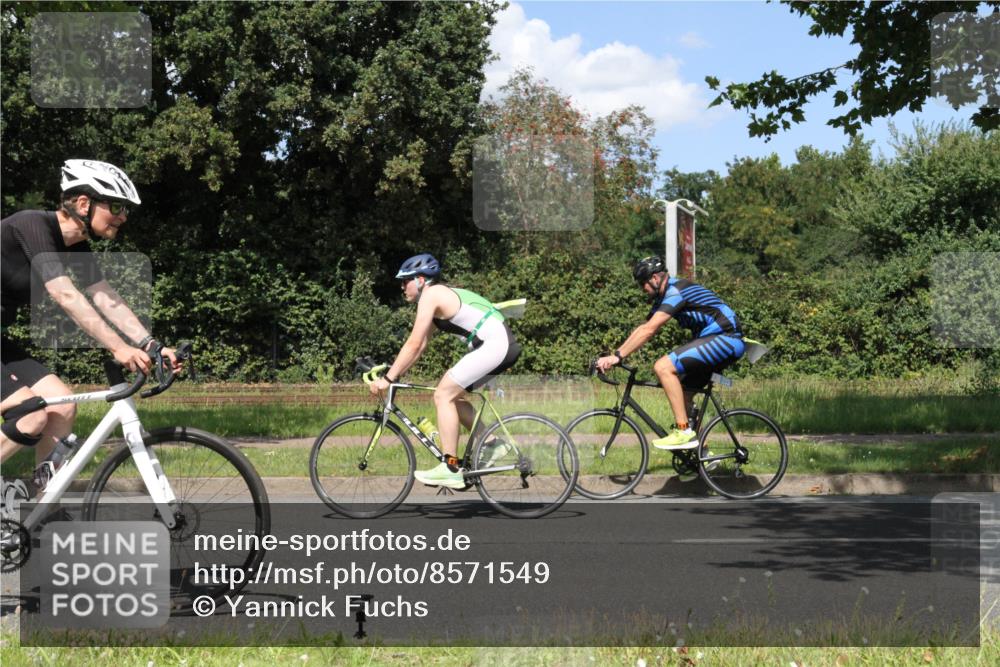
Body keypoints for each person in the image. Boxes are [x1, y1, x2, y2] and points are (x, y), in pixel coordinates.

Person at [1, 159, 180, 500]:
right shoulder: (31, 225)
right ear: (83, 204)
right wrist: (118, 347)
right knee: (31, 413)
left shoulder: (76, 246)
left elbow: (105, 297)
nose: (123, 216)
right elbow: (64, 293)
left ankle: (36, 513)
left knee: (62, 407)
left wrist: (152, 345)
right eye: (117, 206)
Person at [369, 253, 521, 489]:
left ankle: (450, 467)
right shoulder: (436, 296)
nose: (402, 287)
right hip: (497, 344)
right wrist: (394, 374)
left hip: (495, 344)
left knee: (442, 395)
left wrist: (388, 379)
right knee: (452, 398)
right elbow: (418, 348)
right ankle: (493, 443)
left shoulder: (431, 294)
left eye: (405, 281)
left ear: (420, 280)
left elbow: (413, 343)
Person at [596, 255, 744, 449]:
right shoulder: (664, 297)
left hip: (727, 338)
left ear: (655, 278)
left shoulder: (676, 291)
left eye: (643, 283)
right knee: (683, 396)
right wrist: (617, 353)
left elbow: (649, 331)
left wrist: (617, 357)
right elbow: (644, 328)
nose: (643, 289)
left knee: (663, 367)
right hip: (716, 339)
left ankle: (683, 431)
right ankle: (702, 455)